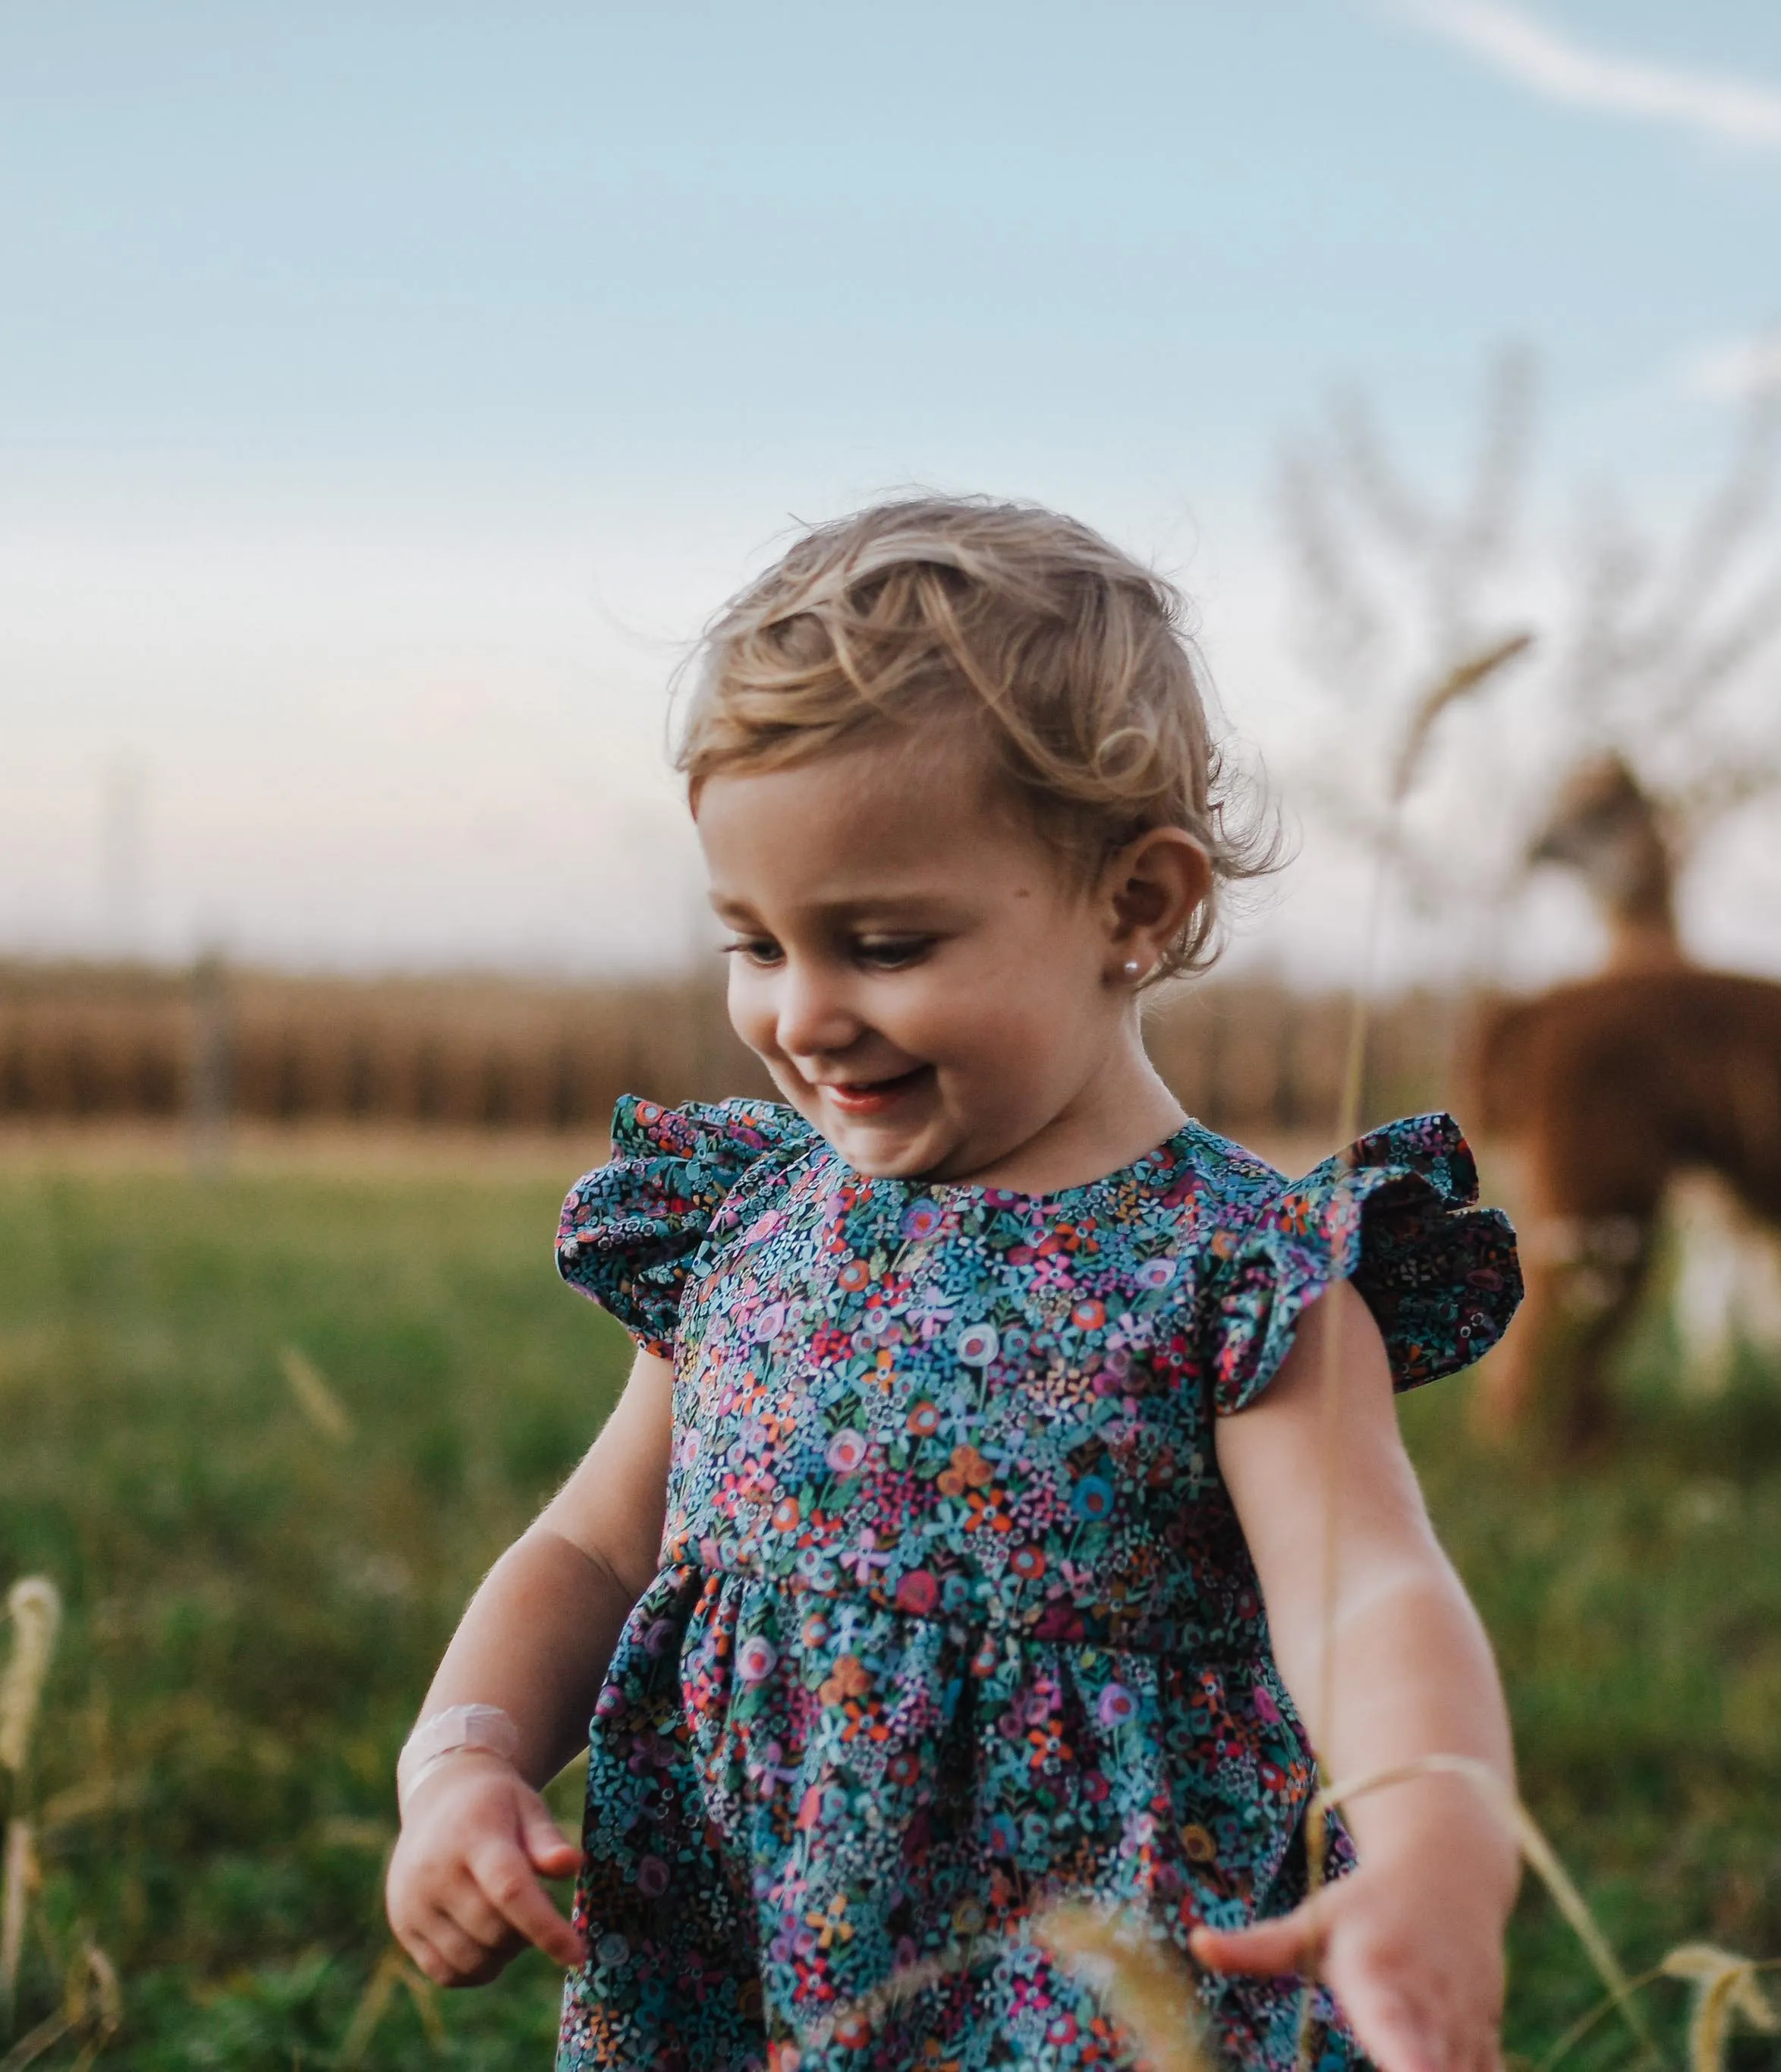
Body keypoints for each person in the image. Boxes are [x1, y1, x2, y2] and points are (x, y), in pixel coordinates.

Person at [382, 497, 1526, 2072]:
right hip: (745, 1976)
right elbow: (592, 1547)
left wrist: (1432, 1832)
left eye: (882, 942)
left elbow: (1364, 1588)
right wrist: (460, 1759)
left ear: (1137, 905)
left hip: (1092, 2005)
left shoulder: (1238, 1273)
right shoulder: (743, 1228)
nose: (801, 1013)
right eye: (755, 943)